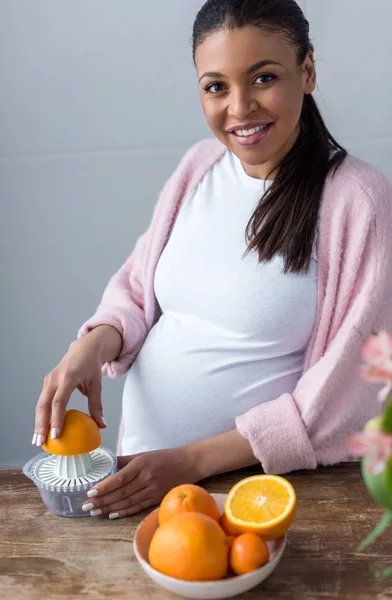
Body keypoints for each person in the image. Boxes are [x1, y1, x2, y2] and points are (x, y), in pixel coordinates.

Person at [33, 0, 392, 520]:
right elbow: (138, 289)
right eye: (216, 86)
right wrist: (92, 343)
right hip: (141, 477)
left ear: (307, 71)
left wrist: (190, 461)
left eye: (263, 77)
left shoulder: (358, 201)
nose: (240, 107)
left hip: (249, 493)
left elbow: (344, 394)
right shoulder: (200, 166)